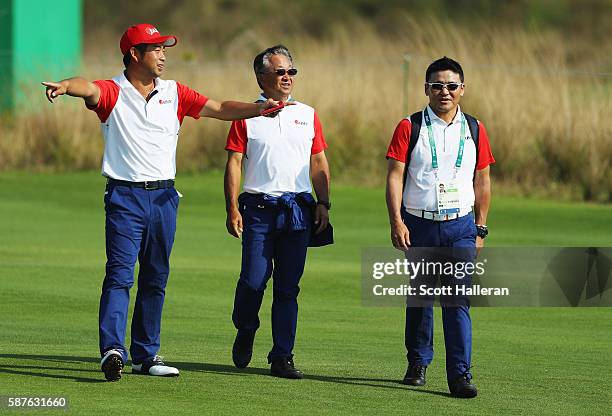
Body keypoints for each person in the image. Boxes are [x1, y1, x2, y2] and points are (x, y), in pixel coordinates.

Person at [42, 24, 282, 382]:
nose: (163, 54)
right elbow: (87, 86)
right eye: (154, 48)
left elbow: (217, 107)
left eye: (163, 48)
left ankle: (146, 354)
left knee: (155, 277)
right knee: (121, 276)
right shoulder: (112, 91)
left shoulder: (174, 92)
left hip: (165, 197)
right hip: (125, 197)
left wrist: (258, 110)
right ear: (134, 54)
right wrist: (65, 86)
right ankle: (112, 350)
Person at [385, 57, 495, 398]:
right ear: (426, 89)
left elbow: (483, 179)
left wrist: (480, 226)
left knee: (457, 299)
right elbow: (395, 175)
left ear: (462, 89)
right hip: (419, 224)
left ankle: (460, 375)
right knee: (420, 298)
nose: (444, 91)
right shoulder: (410, 126)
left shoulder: (475, 128)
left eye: (451, 85)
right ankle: (417, 363)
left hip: (460, 226)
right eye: (437, 85)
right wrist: (397, 221)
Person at [224, 45, 331, 379]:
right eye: (280, 72)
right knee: (254, 280)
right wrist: (231, 208)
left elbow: (318, 162)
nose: (287, 78)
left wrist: (324, 203)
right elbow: (234, 163)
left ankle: (282, 356)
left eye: (291, 72)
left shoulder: (308, 114)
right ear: (261, 77)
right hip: (258, 210)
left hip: (298, 209)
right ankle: (246, 326)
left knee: (288, 287)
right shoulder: (247, 116)